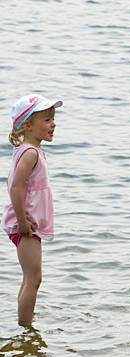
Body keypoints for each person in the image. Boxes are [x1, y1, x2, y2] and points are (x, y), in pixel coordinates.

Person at [2, 94, 62, 326]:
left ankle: (24, 323)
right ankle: (25, 328)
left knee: (30, 278)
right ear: (27, 125)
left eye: (53, 119)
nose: (53, 124)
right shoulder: (30, 153)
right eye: (46, 120)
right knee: (33, 278)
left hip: (27, 222)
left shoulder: (31, 150)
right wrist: (22, 221)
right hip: (25, 224)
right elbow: (15, 186)